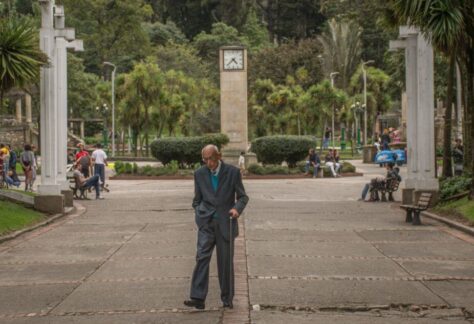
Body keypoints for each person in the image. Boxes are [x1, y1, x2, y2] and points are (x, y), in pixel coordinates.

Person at [184, 145, 249, 310]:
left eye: (210, 159)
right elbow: (196, 200)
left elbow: (243, 197)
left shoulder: (232, 172)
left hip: (226, 223)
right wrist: (199, 213)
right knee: (201, 257)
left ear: (218, 156)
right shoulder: (199, 174)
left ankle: (227, 298)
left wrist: (236, 209)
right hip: (206, 224)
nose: (208, 163)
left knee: (225, 263)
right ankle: (198, 298)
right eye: (204, 159)